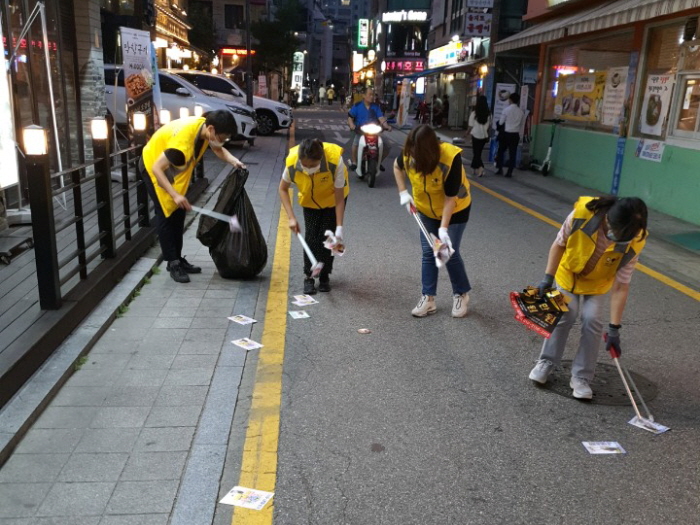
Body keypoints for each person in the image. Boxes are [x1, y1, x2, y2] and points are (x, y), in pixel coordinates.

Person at [528, 196, 648, 399]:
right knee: (566, 313)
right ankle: (546, 362)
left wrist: (614, 330)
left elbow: (621, 286)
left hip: (597, 283)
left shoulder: (635, 240)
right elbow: (559, 245)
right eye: (616, 233)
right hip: (569, 274)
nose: (615, 239)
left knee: (593, 320)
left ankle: (581, 377)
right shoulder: (581, 215)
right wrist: (547, 279)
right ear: (608, 220)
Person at [139, 110, 246, 283]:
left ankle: (178, 258)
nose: (223, 141)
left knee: (178, 213)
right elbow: (157, 169)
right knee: (166, 214)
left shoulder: (204, 128)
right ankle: (172, 263)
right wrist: (174, 195)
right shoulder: (182, 145)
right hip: (153, 166)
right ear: (211, 129)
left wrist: (234, 161)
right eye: (223, 137)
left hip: (170, 167)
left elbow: (218, 149)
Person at [393, 124, 473, 318]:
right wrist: (404, 193)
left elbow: (450, 199)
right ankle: (428, 298)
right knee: (429, 251)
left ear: (428, 152)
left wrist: (443, 230)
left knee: (447, 252)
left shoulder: (450, 158)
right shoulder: (409, 153)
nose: (411, 156)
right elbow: (397, 167)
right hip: (426, 210)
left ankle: (461, 294)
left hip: (456, 210)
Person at [279, 138, 349, 295]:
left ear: (321, 159)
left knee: (328, 239)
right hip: (310, 201)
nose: (309, 169)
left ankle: (324, 276)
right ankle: (309, 276)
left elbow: (339, 197)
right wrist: (291, 217)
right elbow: (282, 189)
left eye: (313, 165)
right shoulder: (292, 163)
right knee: (311, 237)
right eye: (305, 165)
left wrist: (339, 228)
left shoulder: (334, 161)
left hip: (332, 201)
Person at [347, 87, 391, 172]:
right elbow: (350, 117)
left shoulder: (376, 107)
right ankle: (354, 162)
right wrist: (352, 125)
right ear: (364, 95)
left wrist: (386, 126)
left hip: (374, 131)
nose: (372, 97)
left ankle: (378, 162)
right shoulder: (357, 106)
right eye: (370, 94)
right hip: (360, 130)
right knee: (355, 144)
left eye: (373, 95)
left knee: (387, 145)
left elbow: (381, 118)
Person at [496, 93, 524, 178]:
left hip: (506, 134)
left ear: (510, 100)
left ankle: (500, 169)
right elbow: (521, 124)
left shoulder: (506, 110)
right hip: (515, 134)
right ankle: (509, 172)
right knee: (512, 154)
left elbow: (500, 122)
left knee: (501, 152)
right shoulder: (521, 112)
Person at [466, 96, 492, 177]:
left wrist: (466, 133)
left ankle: (481, 168)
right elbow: (489, 126)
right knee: (478, 153)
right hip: (484, 136)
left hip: (475, 135)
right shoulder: (489, 114)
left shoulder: (474, 113)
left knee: (476, 153)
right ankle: (474, 168)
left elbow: (470, 126)